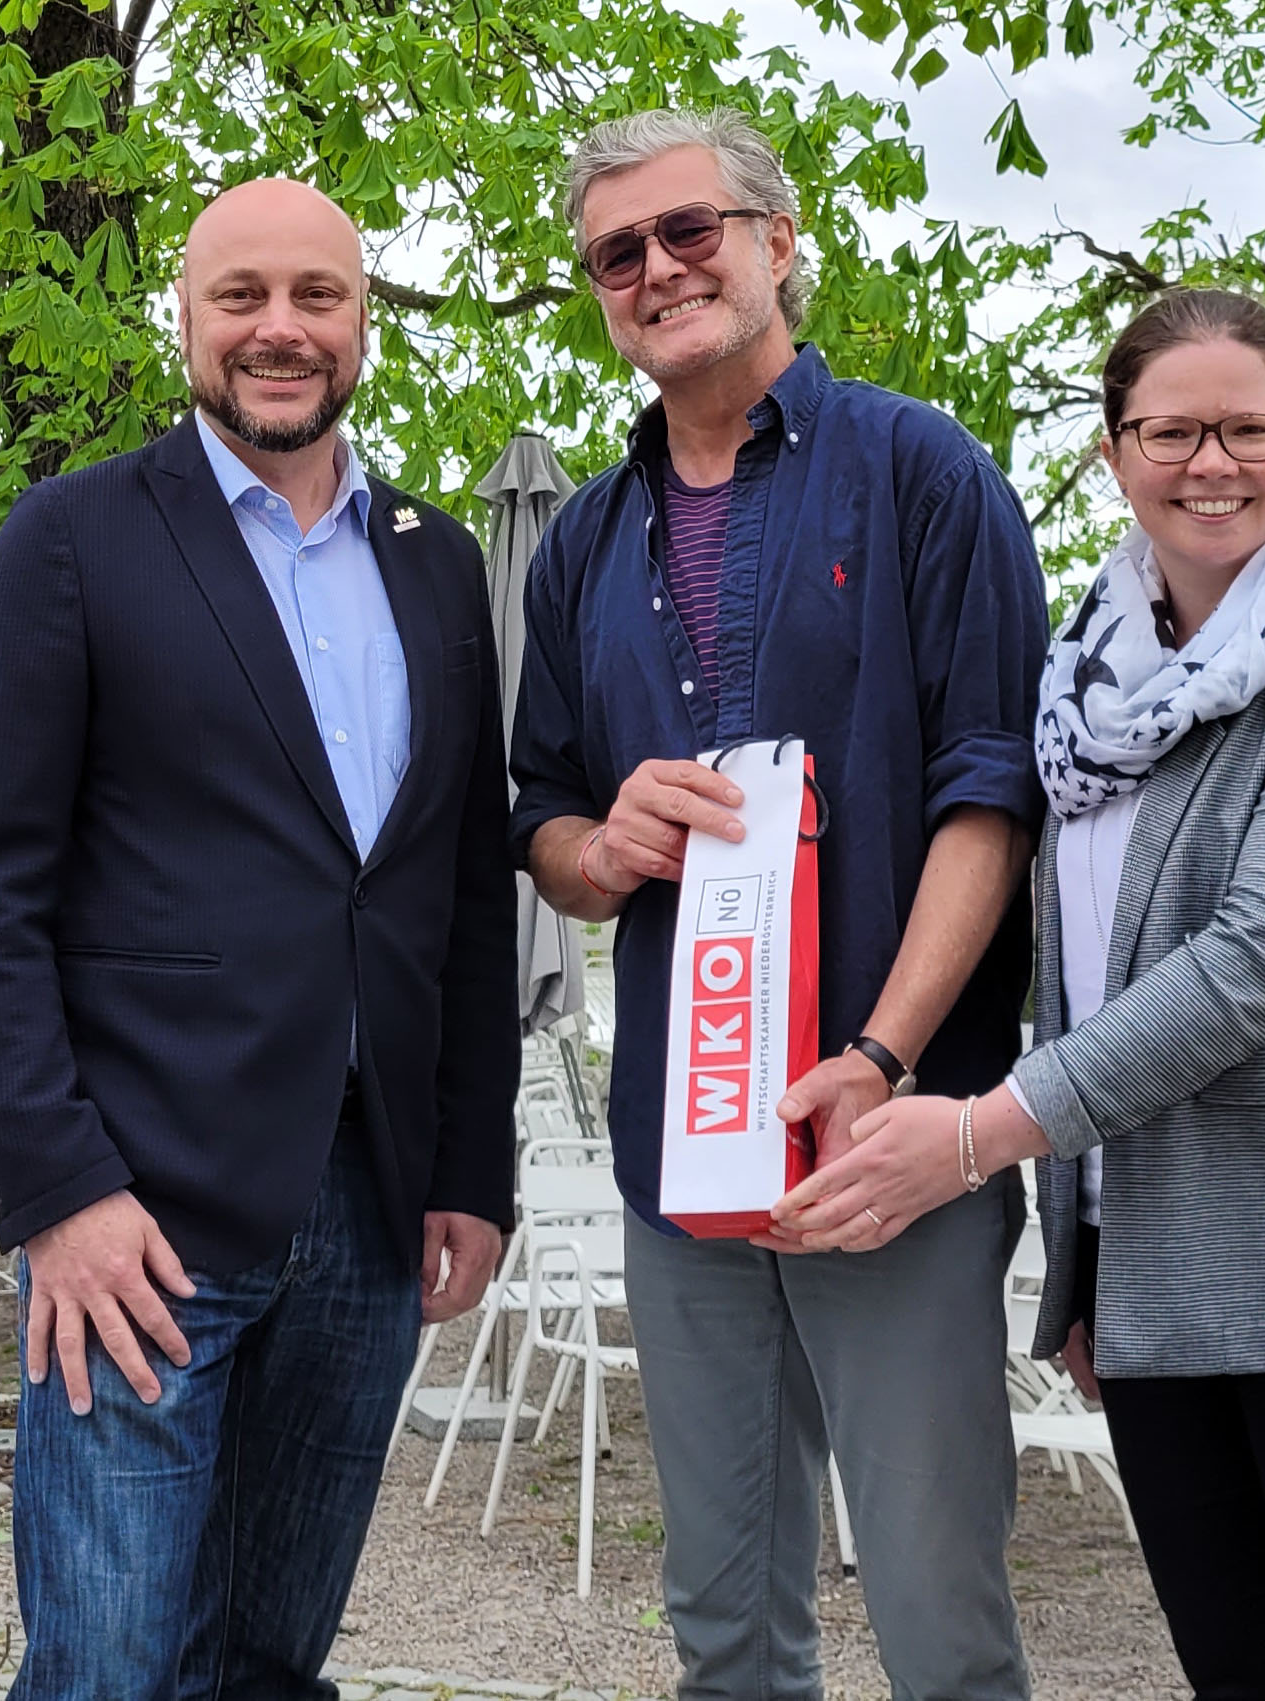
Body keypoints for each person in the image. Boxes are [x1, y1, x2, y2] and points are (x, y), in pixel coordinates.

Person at [776, 289, 1265, 1698]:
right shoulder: (1089, 676)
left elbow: (1257, 962)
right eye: (1171, 432)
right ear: (1115, 452)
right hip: (1164, 1291)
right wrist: (1087, 1260)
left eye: (1250, 429)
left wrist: (980, 1133)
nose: (1211, 463)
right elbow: (1084, 973)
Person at [0, 177, 518, 1701]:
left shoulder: (439, 564)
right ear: (183, 319)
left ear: (363, 321)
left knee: (268, 1662)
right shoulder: (71, 541)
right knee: (113, 1669)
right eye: (240, 295)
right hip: (139, 1216)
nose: (280, 328)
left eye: (317, 295)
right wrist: (57, 1192)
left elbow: (461, 892)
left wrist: (472, 1165)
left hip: (371, 1215)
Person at [510, 107, 1046, 1701]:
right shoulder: (583, 540)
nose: (658, 269)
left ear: (777, 242)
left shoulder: (924, 471)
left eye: (690, 230)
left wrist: (883, 1058)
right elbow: (540, 816)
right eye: (618, 252)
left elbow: (990, 795)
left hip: (890, 1137)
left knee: (941, 1619)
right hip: (686, 1147)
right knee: (725, 1619)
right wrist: (600, 850)